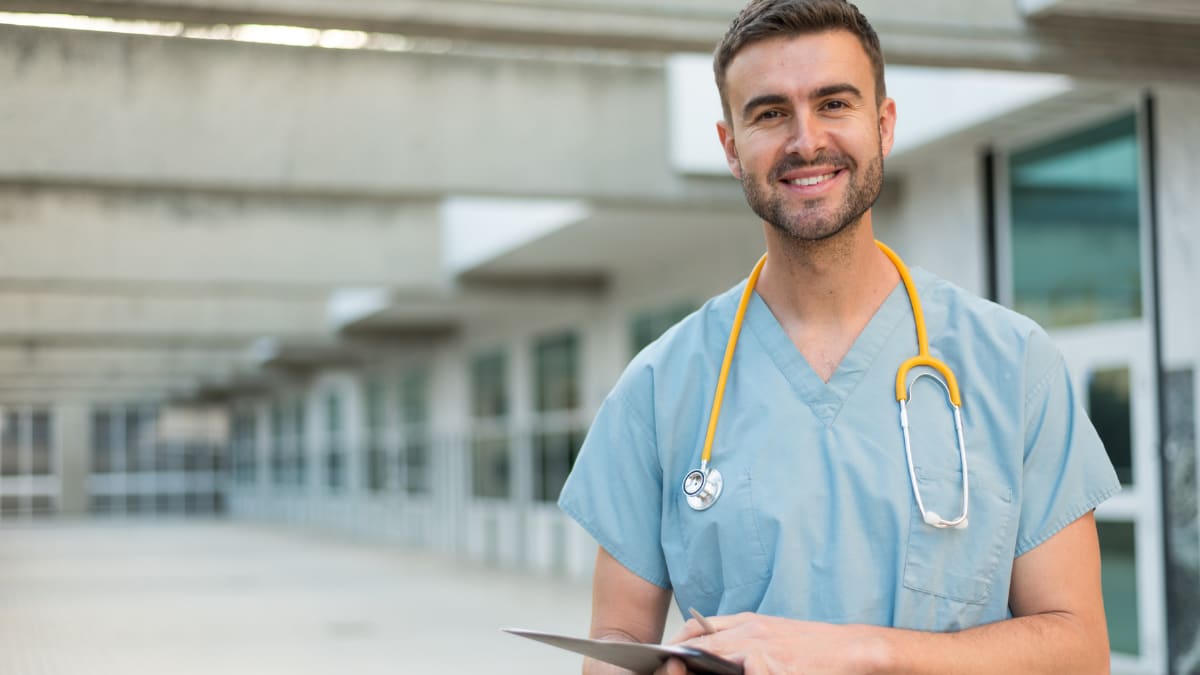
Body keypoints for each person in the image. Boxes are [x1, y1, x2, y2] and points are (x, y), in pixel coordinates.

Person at [557, 0, 1121, 672]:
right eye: (769, 113)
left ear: (882, 125)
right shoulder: (658, 388)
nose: (806, 141)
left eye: (834, 103)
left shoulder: (1013, 364)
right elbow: (615, 642)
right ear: (731, 146)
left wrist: (861, 650)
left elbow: (1079, 651)